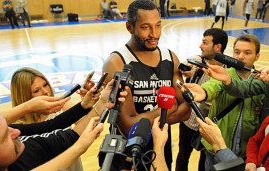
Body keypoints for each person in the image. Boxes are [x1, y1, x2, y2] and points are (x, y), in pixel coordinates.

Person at [102, 0, 191, 170]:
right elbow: (128, 126)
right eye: (145, 27)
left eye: (158, 25)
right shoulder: (117, 63)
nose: (154, 34)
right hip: (127, 155)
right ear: (130, 27)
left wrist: (143, 118)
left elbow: (186, 110)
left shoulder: (170, 58)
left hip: (162, 148)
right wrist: (168, 109)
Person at [0, 79, 128, 171]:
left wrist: (101, 102)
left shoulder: (25, 147)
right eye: (5, 137)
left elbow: (68, 135)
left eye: (8, 126)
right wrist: (78, 148)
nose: (17, 133)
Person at [184, 34, 265, 170]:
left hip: (246, 153)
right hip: (215, 150)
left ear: (257, 56)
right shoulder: (224, 74)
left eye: (247, 53)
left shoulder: (261, 83)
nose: (240, 57)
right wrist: (203, 92)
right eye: (237, 52)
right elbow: (213, 86)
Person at [177, 28, 228, 171]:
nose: (200, 46)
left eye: (205, 42)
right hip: (189, 120)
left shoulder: (228, 70)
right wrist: (187, 69)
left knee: (204, 162)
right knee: (182, 157)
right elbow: (189, 65)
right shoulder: (198, 60)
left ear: (217, 47)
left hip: (209, 124)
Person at [10, 67, 76, 124]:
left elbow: (85, 128)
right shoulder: (17, 127)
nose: (46, 92)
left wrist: (85, 106)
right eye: (36, 91)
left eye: (45, 85)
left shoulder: (63, 106)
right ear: (23, 98)